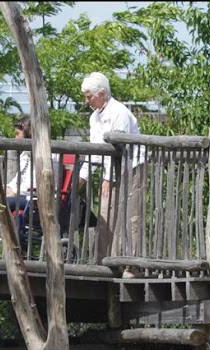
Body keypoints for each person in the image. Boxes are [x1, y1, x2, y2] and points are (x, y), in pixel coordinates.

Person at [78, 72, 146, 267]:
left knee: (132, 216)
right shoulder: (94, 117)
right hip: (113, 168)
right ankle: (102, 263)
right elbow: (95, 152)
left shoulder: (119, 112)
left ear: (101, 93)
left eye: (89, 96)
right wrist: (80, 179)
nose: (87, 100)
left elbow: (119, 149)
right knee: (105, 215)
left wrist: (108, 177)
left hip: (132, 167)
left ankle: (133, 265)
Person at [5, 115, 36, 246]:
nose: (15, 138)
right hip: (22, 197)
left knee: (2, 203)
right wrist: (7, 188)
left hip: (33, 198)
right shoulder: (25, 155)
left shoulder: (45, 155)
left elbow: (36, 184)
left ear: (28, 133)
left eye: (18, 134)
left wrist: (15, 192)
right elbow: (17, 180)